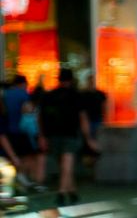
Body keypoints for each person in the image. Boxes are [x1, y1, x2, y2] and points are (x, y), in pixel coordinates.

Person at [37, 68, 90, 206]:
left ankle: (72, 192)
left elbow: (40, 117)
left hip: (53, 135)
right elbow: (83, 117)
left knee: (63, 165)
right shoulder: (76, 95)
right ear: (71, 80)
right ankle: (61, 193)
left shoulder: (48, 96)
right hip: (70, 133)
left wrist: (42, 136)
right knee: (67, 164)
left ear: (58, 79)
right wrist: (88, 137)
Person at [3, 74, 45, 191]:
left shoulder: (6, 94)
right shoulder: (23, 94)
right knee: (28, 156)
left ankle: (20, 178)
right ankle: (22, 178)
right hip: (23, 130)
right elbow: (28, 109)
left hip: (9, 130)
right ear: (23, 83)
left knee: (16, 156)